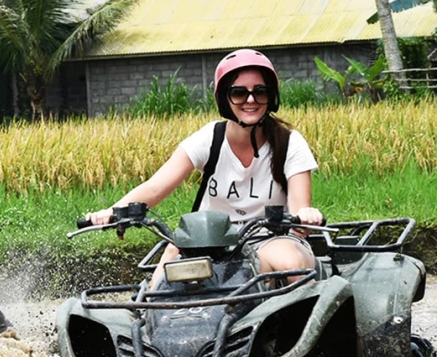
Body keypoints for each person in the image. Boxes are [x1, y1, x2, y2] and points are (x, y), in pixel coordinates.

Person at [86, 49, 324, 287]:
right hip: (210, 242)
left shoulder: (289, 142)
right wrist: (113, 211)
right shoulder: (210, 138)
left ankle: (302, 319)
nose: (250, 100)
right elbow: (156, 187)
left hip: (271, 238)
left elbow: (299, 210)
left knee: (292, 263)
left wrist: (306, 216)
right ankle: (146, 314)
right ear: (224, 98)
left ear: (271, 96)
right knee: (171, 260)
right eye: (239, 93)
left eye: (260, 92)